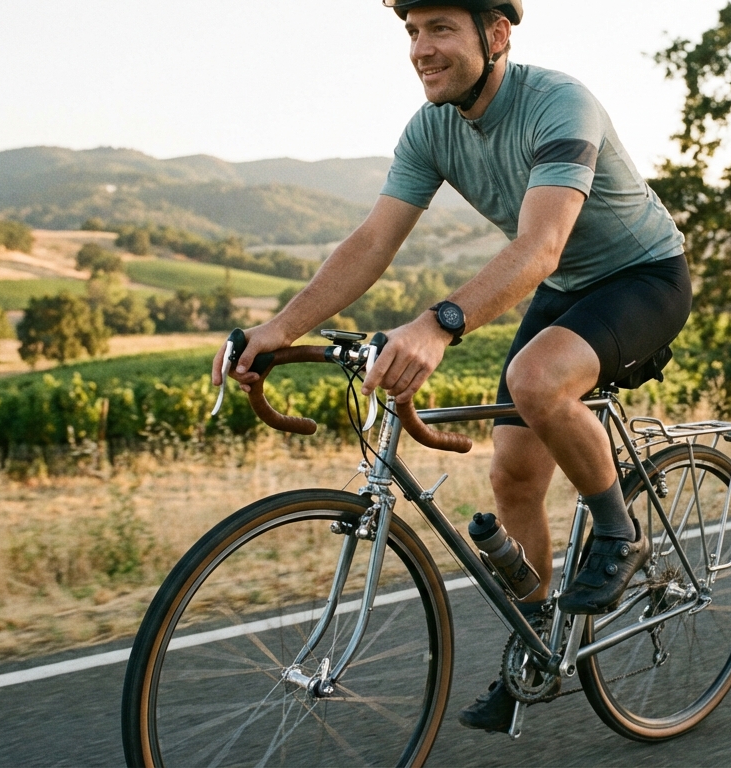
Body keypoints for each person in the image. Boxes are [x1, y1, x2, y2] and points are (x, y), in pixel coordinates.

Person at [213, 0, 691, 733]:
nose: (420, 48)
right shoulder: (432, 128)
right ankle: (537, 647)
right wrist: (278, 330)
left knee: (537, 381)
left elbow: (540, 247)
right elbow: (373, 241)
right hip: (564, 293)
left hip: (641, 278)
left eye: (440, 29)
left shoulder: (559, 104)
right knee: (512, 476)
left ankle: (620, 535)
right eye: (412, 31)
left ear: (496, 35)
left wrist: (440, 324)